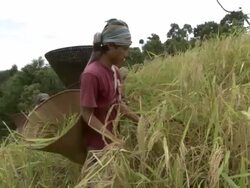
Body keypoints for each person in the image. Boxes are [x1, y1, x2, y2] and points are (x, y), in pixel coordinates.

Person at [80, 18, 140, 152]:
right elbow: (87, 115)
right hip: (98, 150)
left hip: (114, 145)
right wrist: (113, 139)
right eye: (124, 49)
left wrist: (138, 120)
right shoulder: (91, 74)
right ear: (111, 46)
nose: (126, 54)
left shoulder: (115, 72)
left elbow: (116, 104)